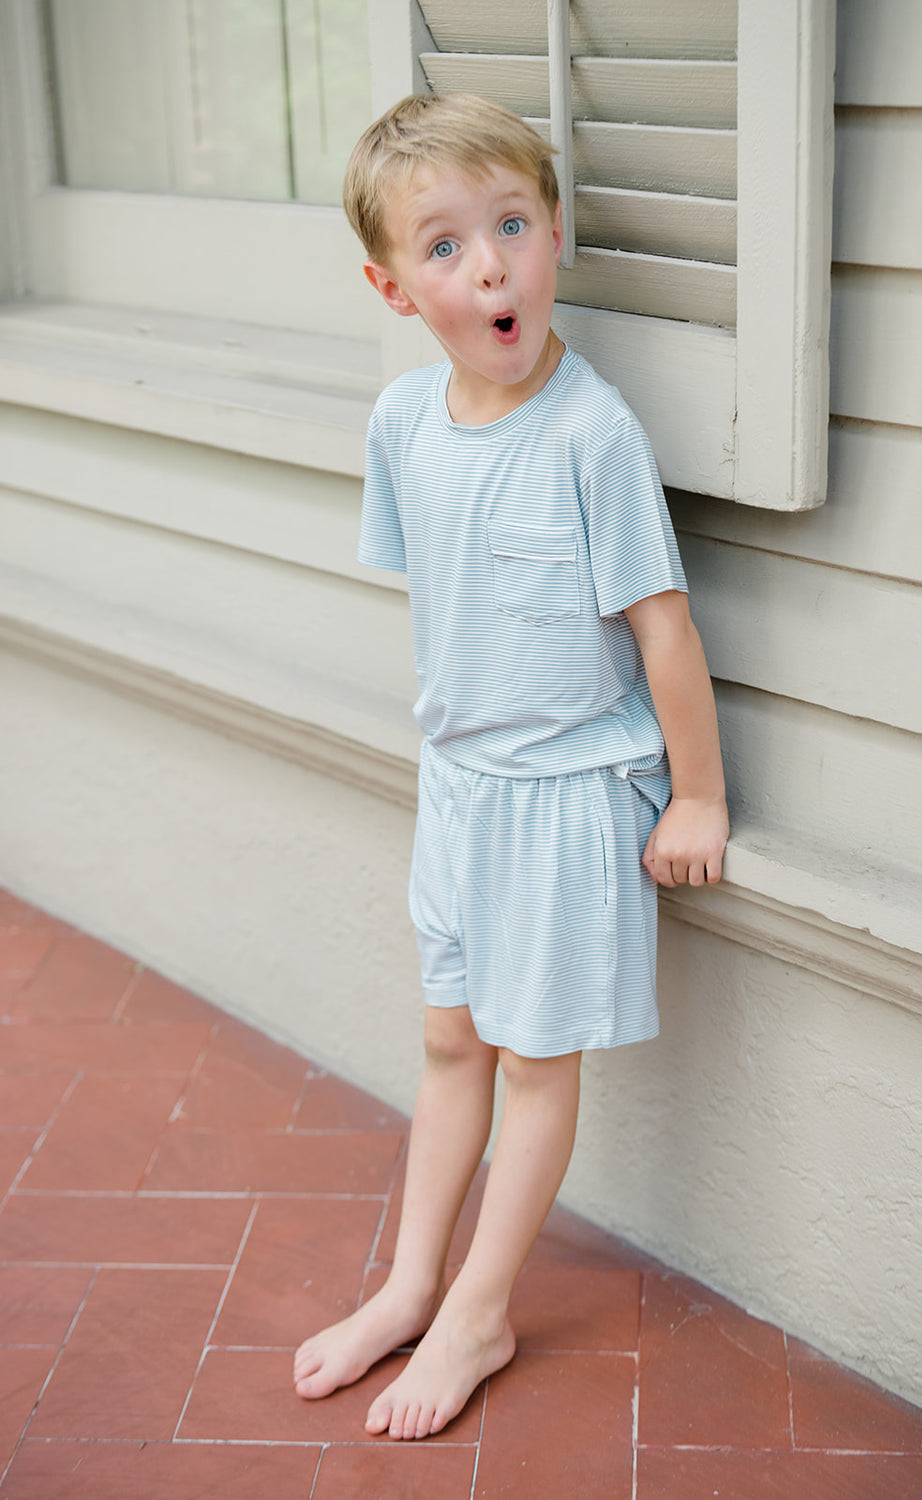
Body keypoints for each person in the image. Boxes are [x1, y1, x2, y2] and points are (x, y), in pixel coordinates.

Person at [293, 91, 729, 1442]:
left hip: (565, 798)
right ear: (391, 287)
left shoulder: (591, 433)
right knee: (446, 1039)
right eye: (445, 245)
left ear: (551, 237)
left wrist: (697, 792)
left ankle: (482, 1309)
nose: (490, 264)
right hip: (461, 788)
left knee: (535, 1060)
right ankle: (413, 1283)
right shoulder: (404, 427)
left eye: (513, 225)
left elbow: (663, 626)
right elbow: (450, 594)